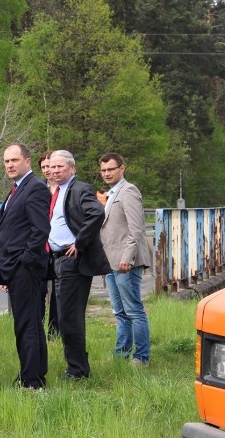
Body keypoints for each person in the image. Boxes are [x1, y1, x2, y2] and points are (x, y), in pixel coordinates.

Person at [0, 143, 51, 389]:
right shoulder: (17, 189)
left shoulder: (35, 188)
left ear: (27, 161)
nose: (9, 165)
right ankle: (32, 373)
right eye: (6, 161)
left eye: (14, 160)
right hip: (15, 269)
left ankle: (32, 380)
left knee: (27, 324)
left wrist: (22, 263)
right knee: (27, 323)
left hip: (25, 269)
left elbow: (40, 231)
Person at [47, 150, 109, 380]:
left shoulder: (79, 188)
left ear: (72, 168)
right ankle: (77, 365)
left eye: (59, 167)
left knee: (69, 317)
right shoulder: (57, 191)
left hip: (71, 260)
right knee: (64, 316)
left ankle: (78, 370)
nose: (54, 171)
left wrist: (79, 242)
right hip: (57, 259)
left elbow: (97, 212)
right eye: (52, 167)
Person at [98, 152, 151, 366]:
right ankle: (122, 355)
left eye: (111, 169)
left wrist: (127, 258)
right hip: (110, 262)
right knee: (119, 312)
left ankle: (141, 357)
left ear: (122, 168)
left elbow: (136, 229)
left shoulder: (128, 191)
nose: (107, 173)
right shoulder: (111, 194)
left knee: (133, 310)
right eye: (103, 170)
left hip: (125, 263)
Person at [38, 151, 60, 340]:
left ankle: (54, 332)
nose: (47, 170)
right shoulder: (38, 189)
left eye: (49, 166)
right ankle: (38, 329)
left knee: (58, 292)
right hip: (42, 247)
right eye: (43, 167)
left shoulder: (64, 189)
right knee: (40, 290)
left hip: (59, 247)